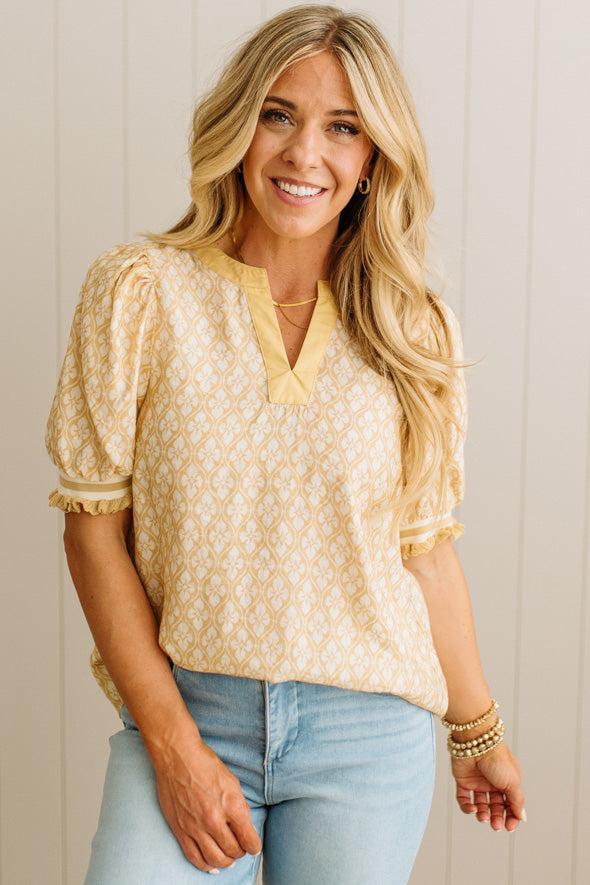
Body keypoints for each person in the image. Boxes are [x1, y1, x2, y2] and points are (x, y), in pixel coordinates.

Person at [44, 4, 527, 883]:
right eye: (279, 114)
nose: (306, 154)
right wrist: (175, 745)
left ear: (374, 158)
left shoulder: (413, 328)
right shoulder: (141, 293)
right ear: (238, 123)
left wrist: (478, 729)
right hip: (189, 710)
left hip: (367, 739)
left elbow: (426, 551)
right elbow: (92, 531)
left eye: (343, 128)